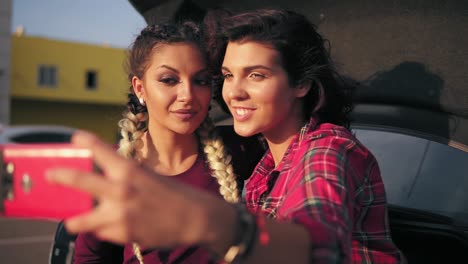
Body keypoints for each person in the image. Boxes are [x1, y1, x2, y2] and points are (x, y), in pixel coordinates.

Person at [47, 8, 406, 264]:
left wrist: (204, 222)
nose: (232, 93)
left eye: (256, 75)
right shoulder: (264, 163)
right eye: (228, 75)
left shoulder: (326, 151)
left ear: (301, 84)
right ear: (139, 88)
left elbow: (318, 245)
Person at [71, 21, 263, 264]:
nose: (187, 96)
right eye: (169, 80)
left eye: (201, 81)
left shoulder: (239, 148)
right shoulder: (113, 171)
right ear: (140, 88)